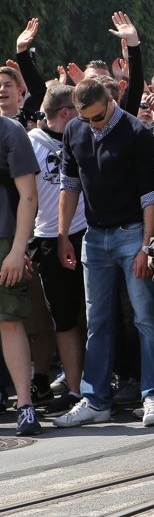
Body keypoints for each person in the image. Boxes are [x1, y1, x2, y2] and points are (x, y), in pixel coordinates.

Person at [54, 77, 154, 428]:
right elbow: (69, 185)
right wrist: (64, 235)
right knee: (98, 322)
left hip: (132, 232)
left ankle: (153, 395)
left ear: (110, 101)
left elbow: (151, 196)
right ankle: (95, 400)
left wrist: (146, 246)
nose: (92, 124)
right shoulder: (75, 130)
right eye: (84, 117)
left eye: (97, 117)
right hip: (94, 236)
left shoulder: (138, 133)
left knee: (146, 318)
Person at [26, 86, 86, 419]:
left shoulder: (85, 135)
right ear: (66, 112)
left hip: (89, 233)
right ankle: (74, 389)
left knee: (96, 317)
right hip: (48, 239)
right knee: (63, 319)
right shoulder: (29, 143)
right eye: (78, 109)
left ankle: (98, 385)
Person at [0, 112, 41, 436]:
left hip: (4, 242)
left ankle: (25, 405)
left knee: (10, 321)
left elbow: (29, 196)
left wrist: (17, 249)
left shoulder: (10, 131)